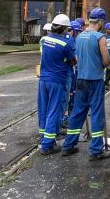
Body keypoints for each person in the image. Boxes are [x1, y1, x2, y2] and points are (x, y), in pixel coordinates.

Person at [62, 7, 110, 160]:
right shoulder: (100, 37)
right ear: (101, 22)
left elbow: (76, 58)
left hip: (80, 79)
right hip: (95, 80)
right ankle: (96, 150)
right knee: (96, 113)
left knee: (78, 112)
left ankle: (68, 145)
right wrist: (102, 64)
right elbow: (106, 61)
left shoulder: (79, 36)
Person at [37, 14, 75, 154]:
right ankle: (47, 145)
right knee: (54, 111)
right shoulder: (66, 43)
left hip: (43, 80)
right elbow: (73, 61)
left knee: (43, 110)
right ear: (64, 28)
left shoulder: (44, 40)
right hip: (57, 80)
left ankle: (44, 138)